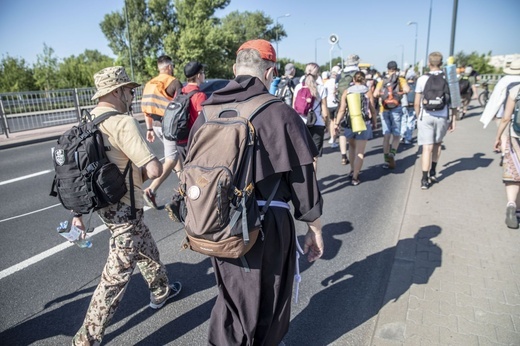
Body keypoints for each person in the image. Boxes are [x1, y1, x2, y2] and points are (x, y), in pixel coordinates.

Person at [189, 39, 324, 345]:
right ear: (270, 72)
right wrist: (314, 229)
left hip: (216, 221)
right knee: (269, 302)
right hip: (266, 224)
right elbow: (303, 179)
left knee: (233, 299)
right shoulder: (278, 112)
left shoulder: (207, 113)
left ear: (235, 70)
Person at [72, 66, 182, 345]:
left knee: (146, 246)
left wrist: (77, 214)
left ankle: (161, 290)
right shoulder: (121, 122)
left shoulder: (88, 120)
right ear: (117, 91)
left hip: (104, 202)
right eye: (129, 90)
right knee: (116, 276)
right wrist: (150, 168)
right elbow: (154, 169)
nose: (132, 94)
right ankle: (87, 337)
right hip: (124, 206)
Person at [141, 55, 183, 209]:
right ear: (169, 67)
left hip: (156, 127)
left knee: (175, 156)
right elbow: (180, 104)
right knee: (171, 159)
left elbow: (146, 109)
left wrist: (149, 128)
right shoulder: (173, 81)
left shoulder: (149, 84)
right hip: (169, 126)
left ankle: (183, 186)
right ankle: (151, 190)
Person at [414, 52, 456, 190]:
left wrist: (418, 116)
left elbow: (416, 102)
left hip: (425, 115)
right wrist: (453, 118)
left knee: (427, 147)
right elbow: (454, 101)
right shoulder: (448, 78)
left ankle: (424, 179)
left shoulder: (422, 79)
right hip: (442, 115)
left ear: (429, 63)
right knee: (437, 144)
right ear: (441, 63)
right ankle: (433, 171)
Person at [334, 71, 377, 185]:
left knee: (352, 148)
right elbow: (372, 109)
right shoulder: (367, 92)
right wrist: (375, 121)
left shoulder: (347, 91)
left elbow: (342, 109)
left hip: (349, 124)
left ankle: (352, 170)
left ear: (353, 80)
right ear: (364, 80)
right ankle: (355, 177)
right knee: (360, 152)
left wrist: (336, 123)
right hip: (364, 124)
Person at [480, 59, 520, 165]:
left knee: (505, 136)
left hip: (508, 115)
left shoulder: (505, 80)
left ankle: (504, 155)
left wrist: (497, 137)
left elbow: (496, 98)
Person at [293, 62, 330, 172]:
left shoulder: (299, 87)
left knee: (300, 155)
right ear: (317, 74)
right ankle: (312, 185)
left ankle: (303, 184)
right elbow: (325, 112)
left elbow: (293, 107)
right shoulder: (321, 88)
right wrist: (327, 124)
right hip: (317, 124)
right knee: (314, 157)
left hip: (301, 123)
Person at [374, 61, 410, 169]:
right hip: (396, 108)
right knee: (396, 134)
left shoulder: (382, 81)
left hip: (384, 109)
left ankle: (386, 160)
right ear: (396, 69)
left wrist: (382, 95)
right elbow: (407, 90)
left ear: (388, 69)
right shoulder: (400, 79)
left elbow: (375, 94)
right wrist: (401, 93)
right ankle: (392, 153)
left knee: (386, 135)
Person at [494, 82, 520, 229]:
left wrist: (498, 137)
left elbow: (506, 118)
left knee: (514, 171)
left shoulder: (516, 89)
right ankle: (518, 211)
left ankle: (511, 204)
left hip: (516, 136)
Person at [176, 61, 207, 162]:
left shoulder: (179, 92)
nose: (204, 75)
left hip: (179, 140)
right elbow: (202, 121)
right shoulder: (199, 95)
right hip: (193, 141)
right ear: (198, 75)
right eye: (203, 72)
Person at [337, 55, 361, 165]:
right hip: (355, 104)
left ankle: (343, 155)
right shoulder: (358, 73)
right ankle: (355, 156)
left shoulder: (340, 74)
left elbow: (335, 89)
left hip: (341, 103)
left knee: (342, 131)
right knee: (355, 132)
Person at [325, 66, 341, 148]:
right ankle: (334, 139)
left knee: (331, 121)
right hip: (336, 103)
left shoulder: (327, 82)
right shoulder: (338, 81)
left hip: (328, 103)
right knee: (336, 121)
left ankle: (332, 137)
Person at [402, 70, 417, 144]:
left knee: (404, 119)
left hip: (404, 104)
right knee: (410, 120)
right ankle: (408, 138)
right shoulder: (416, 85)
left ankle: (402, 135)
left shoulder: (404, 85)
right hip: (413, 105)